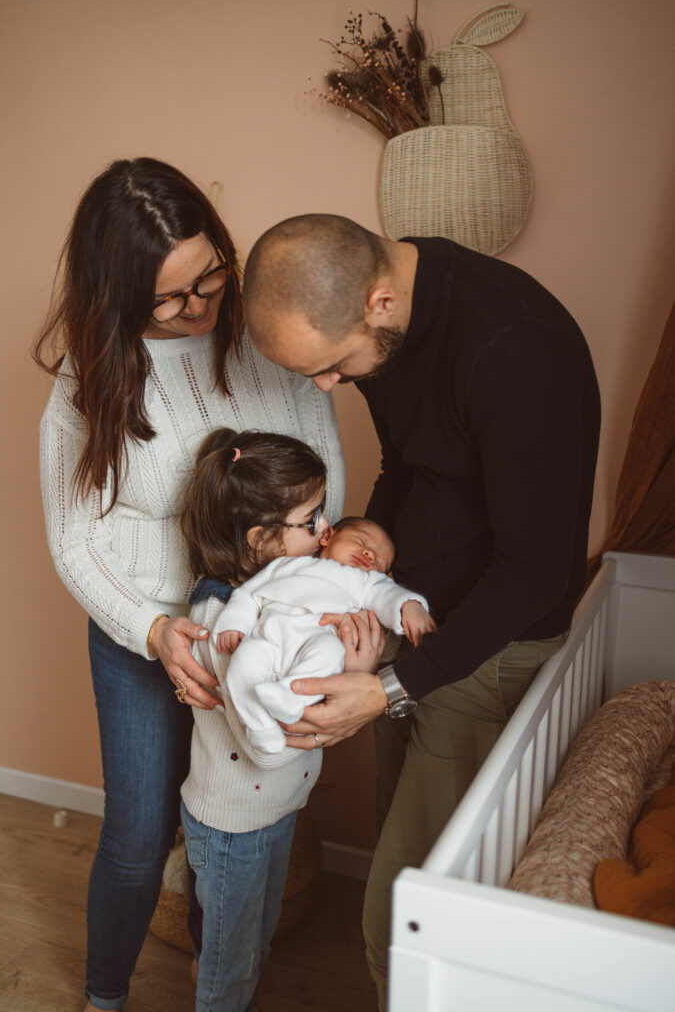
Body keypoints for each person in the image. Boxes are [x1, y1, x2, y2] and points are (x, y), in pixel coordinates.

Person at [240, 214, 602, 1009]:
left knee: (403, 918)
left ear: (376, 302)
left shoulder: (513, 352)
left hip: (487, 648)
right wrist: (363, 552)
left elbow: (536, 572)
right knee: (395, 866)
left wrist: (395, 690)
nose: (328, 387)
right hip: (414, 631)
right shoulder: (392, 329)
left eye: (334, 368)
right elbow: (406, 462)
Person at [34, 162, 345, 1012]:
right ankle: (104, 996)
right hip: (141, 639)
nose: (200, 306)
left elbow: (327, 482)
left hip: (256, 633)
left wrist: (279, 606)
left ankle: (220, 989)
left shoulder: (264, 341)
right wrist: (155, 631)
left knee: (242, 833)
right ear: (120, 291)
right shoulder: (92, 377)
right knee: (139, 840)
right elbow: (74, 538)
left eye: (210, 275)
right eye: (170, 298)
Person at [177, 428, 387, 1011]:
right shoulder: (226, 620)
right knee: (230, 963)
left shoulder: (282, 593)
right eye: (312, 519)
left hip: (273, 810)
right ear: (261, 538)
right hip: (233, 824)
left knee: (251, 939)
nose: (328, 530)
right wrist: (355, 668)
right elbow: (279, 722)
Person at [216, 513, 434, 754]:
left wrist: (410, 606)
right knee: (244, 660)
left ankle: (291, 697)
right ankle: (260, 727)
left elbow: (387, 595)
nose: (370, 555)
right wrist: (233, 623)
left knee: (329, 653)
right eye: (362, 542)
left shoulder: (364, 582)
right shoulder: (287, 564)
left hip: (318, 639)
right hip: (269, 637)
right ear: (327, 536)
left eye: (379, 563)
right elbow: (248, 594)